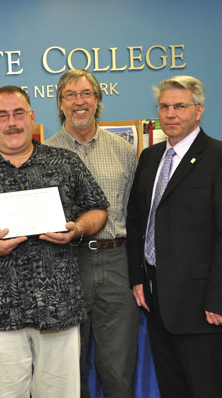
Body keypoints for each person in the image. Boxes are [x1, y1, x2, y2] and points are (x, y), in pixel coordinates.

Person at [0, 85, 109, 398]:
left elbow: (97, 208)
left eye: (19, 113)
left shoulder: (65, 162)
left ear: (32, 117)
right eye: (3, 115)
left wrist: (77, 229)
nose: (12, 123)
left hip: (58, 307)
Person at [126, 75, 222, 398]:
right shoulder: (150, 158)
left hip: (204, 309)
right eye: (164, 106)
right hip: (158, 306)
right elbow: (137, 220)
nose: (171, 114)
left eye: (180, 106)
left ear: (199, 110)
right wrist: (137, 277)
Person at [45, 69, 139, 398]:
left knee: (118, 367)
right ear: (60, 104)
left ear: (97, 100)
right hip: (68, 263)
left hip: (117, 261)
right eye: (70, 95)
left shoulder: (124, 150)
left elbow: (137, 214)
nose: (79, 102)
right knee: (69, 367)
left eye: (86, 93)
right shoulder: (44, 153)